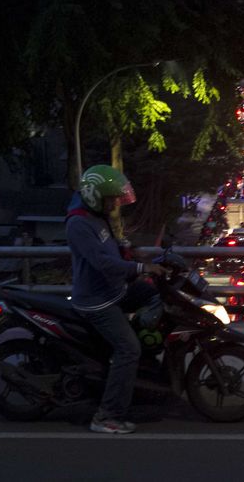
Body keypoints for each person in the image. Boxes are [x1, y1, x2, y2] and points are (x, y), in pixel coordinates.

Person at [66, 164, 164, 435]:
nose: (115, 203)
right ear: (94, 196)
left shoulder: (96, 218)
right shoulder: (78, 224)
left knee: (156, 294)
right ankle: (107, 415)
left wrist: (132, 252)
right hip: (97, 302)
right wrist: (141, 269)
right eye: (111, 198)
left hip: (114, 291)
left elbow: (112, 249)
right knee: (129, 349)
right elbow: (103, 263)